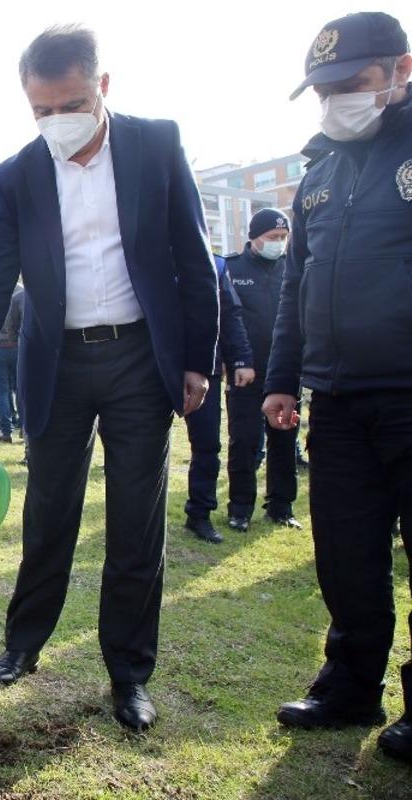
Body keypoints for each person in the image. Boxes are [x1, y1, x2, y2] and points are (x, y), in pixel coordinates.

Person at [0, 25, 219, 732]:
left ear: (103, 88)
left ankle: (128, 673)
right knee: (48, 512)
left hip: (136, 361)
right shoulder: (17, 175)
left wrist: (195, 359)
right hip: (54, 365)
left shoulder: (156, 145)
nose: (56, 120)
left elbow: (193, 254)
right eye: (40, 109)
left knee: (134, 522)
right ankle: (22, 644)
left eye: (70, 103)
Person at [263, 11, 412, 765]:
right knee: (347, 555)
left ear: (400, 70)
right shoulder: (317, 172)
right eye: (321, 90)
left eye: (349, 85)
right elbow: (295, 284)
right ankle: (349, 685)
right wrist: (284, 378)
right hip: (339, 400)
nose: (334, 102)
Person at [225, 209, 300, 533]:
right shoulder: (232, 269)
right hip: (247, 372)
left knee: (285, 438)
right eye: (272, 238)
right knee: (244, 441)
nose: (278, 244)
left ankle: (281, 507)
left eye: (283, 238)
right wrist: (237, 361)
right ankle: (240, 508)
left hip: (283, 372)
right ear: (254, 237)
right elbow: (228, 320)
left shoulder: (292, 269)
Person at [182, 254, 253, 544]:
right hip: (154, 365)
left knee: (207, 444)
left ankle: (199, 513)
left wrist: (241, 358)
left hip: (204, 367)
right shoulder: (144, 253)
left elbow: (230, 314)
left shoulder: (216, 265)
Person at [0, 284, 26, 443]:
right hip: (17, 347)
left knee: (1, 391)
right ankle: (25, 429)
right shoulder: (22, 294)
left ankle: (6, 431)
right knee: (21, 390)